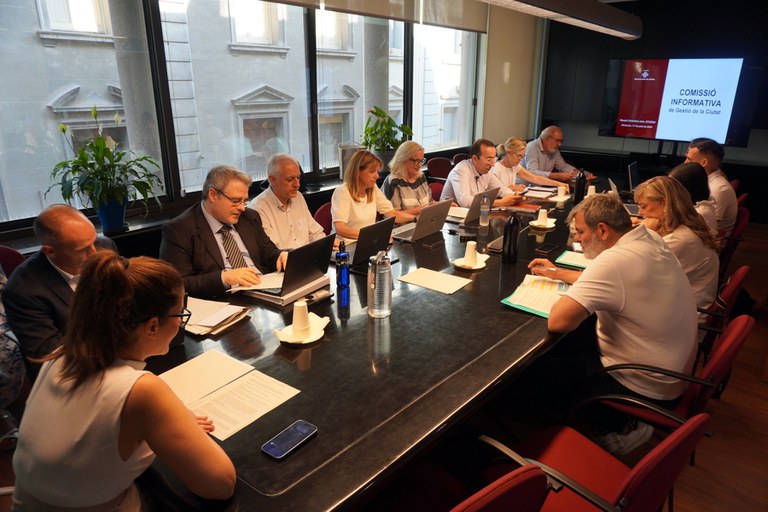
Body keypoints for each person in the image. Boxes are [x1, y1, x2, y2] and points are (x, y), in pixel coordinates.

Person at [12, 252, 236, 510]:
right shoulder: (142, 390)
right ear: (152, 326)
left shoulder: (62, 355)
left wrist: (166, 421)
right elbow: (221, 485)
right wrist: (179, 424)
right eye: (180, 314)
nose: (180, 322)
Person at [528, 194, 697, 453]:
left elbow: (559, 321)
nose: (577, 239)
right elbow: (610, 281)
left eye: (580, 232)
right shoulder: (649, 239)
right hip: (672, 373)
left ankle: (611, 429)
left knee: (540, 365)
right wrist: (557, 273)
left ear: (603, 230)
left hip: (641, 383)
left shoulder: (614, 261)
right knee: (578, 337)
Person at [1, 204, 116, 380]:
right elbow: (51, 355)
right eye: (83, 249)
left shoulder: (104, 246)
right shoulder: (22, 291)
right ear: (50, 251)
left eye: (93, 242)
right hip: (76, 374)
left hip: (124, 355)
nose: (95, 253)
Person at [160, 165, 288, 298]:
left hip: (263, 289)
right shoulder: (179, 230)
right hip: (221, 299)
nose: (242, 208)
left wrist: (280, 255)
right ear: (213, 195)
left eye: (244, 201)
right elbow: (177, 284)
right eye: (236, 201)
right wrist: (223, 278)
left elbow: (267, 251)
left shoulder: (249, 217)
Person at [634, 176, 719, 317]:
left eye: (644, 206)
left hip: (682, 316)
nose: (640, 213)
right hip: (680, 303)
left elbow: (634, 272)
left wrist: (645, 233)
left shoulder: (679, 240)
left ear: (665, 204)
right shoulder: (687, 225)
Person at [331, 150, 417, 242]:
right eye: (372, 171)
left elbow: (392, 214)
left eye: (377, 171)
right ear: (358, 172)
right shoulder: (342, 192)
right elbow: (340, 228)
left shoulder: (372, 188)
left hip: (366, 242)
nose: (377, 176)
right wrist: (374, 236)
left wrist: (415, 218)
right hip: (346, 246)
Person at [247, 154, 325, 250]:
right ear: (273, 180)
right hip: (284, 258)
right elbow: (272, 250)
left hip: (308, 255)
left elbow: (315, 233)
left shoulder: (298, 197)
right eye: (290, 179)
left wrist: (326, 245)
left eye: (298, 177)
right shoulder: (258, 208)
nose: (297, 184)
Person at [439, 138, 523, 208]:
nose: (493, 164)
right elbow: (465, 201)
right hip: (450, 217)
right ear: (475, 159)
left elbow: (501, 189)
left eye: (494, 159)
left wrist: (514, 195)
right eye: (489, 159)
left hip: (473, 213)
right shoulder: (461, 170)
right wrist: (500, 202)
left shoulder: (486, 171)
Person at [684, 138, 737, 237]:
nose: (685, 163)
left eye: (689, 159)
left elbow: (707, 226)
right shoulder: (704, 181)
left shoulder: (718, 188)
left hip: (708, 240)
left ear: (704, 162)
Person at [492, 136, 570, 192]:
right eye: (519, 156)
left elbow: (535, 178)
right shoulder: (496, 168)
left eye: (522, 156)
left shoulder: (515, 166)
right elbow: (494, 191)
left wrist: (559, 184)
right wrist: (512, 188)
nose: (520, 159)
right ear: (509, 153)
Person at [523, 126, 594, 183]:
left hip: (540, 187)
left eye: (561, 141)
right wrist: (556, 176)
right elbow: (532, 172)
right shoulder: (532, 146)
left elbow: (564, 167)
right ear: (547, 139)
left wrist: (583, 174)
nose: (559, 144)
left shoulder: (554, 151)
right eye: (557, 140)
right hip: (524, 187)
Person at [380, 141, 433, 215]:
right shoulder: (394, 181)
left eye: (421, 161)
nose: (419, 165)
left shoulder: (421, 176)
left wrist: (440, 205)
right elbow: (393, 215)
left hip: (423, 219)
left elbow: (430, 202)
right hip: (406, 222)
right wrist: (418, 210)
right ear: (403, 159)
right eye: (416, 160)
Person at [669, 161, 718, 236]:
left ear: (687, 189)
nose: (669, 191)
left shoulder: (701, 213)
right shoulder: (689, 205)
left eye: (673, 186)